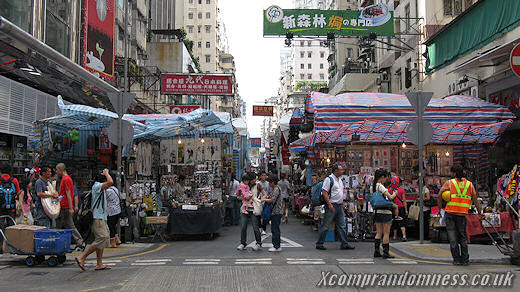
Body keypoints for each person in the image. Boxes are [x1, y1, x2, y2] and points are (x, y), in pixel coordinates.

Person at [437, 164, 482, 266]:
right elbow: (475, 200)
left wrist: (440, 209)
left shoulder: (450, 183)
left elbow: (439, 195)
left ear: (454, 173)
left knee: (453, 238)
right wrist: (480, 213)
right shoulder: (469, 185)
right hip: (462, 214)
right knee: (463, 237)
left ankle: (456, 260)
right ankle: (465, 260)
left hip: (451, 213)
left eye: (451, 172)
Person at [75, 169, 114, 271]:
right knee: (102, 238)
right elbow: (110, 182)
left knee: (102, 240)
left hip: (102, 217)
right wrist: (107, 173)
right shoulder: (97, 186)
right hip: (98, 218)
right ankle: (82, 257)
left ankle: (99, 263)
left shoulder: (100, 187)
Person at [316, 164, 355, 250]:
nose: (342, 171)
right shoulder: (329, 179)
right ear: (336, 171)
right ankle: (319, 243)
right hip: (332, 205)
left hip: (339, 206)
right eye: (341, 170)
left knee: (341, 225)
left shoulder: (340, 180)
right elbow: (324, 192)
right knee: (326, 225)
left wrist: (342, 203)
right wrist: (329, 204)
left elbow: (339, 193)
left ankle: (344, 243)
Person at [55, 163, 85, 249]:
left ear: (61, 170)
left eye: (57, 170)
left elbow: (68, 194)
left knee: (62, 225)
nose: (56, 172)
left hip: (65, 207)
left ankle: (79, 242)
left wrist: (71, 207)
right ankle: (79, 242)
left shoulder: (66, 179)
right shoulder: (66, 179)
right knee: (67, 225)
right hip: (64, 206)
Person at [372, 169, 396, 259]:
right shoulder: (380, 186)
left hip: (377, 211)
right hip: (385, 212)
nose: (386, 180)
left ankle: (377, 251)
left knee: (379, 232)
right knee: (386, 233)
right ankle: (386, 252)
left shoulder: (373, 186)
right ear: (382, 178)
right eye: (385, 178)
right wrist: (394, 194)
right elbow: (390, 197)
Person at [236, 173, 262, 251]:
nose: (255, 180)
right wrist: (244, 198)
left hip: (253, 209)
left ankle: (258, 243)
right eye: (254, 179)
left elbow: (264, 194)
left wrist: (260, 200)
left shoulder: (257, 185)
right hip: (245, 209)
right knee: (243, 227)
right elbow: (238, 196)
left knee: (255, 227)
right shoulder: (243, 186)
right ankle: (243, 243)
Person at [261, 174, 283, 252]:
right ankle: (277, 245)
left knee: (275, 229)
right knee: (274, 228)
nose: (269, 184)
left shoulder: (276, 189)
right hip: (275, 212)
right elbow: (269, 196)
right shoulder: (274, 189)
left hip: (276, 212)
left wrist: (264, 200)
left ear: (273, 182)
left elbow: (272, 200)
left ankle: (276, 246)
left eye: (269, 182)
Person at [391, 177, 408, 241]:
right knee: (402, 222)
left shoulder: (392, 190)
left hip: (394, 208)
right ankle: (404, 235)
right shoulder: (402, 190)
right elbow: (404, 200)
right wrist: (406, 209)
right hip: (401, 208)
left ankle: (395, 236)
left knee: (395, 221)